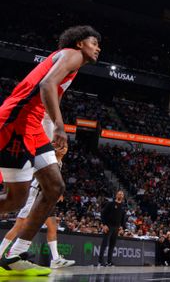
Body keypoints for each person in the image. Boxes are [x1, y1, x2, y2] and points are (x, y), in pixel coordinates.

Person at [0, 26, 101, 275]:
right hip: (17, 122)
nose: (98, 47)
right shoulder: (72, 55)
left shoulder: (69, 62)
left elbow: (46, 94)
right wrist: (59, 126)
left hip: (33, 125)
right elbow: (47, 85)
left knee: (55, 188)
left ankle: (14, 255)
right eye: (93, 42)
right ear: (79, 43)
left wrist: (50, 127)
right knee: (15, 199)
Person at [0, 118, 75, 269]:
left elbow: (53, 180)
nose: (62, 147)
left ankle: (55, 259)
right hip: (33, 193)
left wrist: (59, 158)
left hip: (43, 196)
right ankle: (2, 253)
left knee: (52, 226)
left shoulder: (52, 158)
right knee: (19, 226)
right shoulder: (40, 151)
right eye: (58, 145)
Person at [98, 190, 126, 266]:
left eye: (122, 194)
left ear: (123, 196)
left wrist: (122, 227)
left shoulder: (123, 206)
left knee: (112, 245)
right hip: (108, 226)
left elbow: (123, 218)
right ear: (116, 195)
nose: (120, 195)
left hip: (117, 228)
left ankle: (109, 261)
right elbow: (103, 214)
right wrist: (104, 224)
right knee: (105, 243)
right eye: (119, 194)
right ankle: (100, 261)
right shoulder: (110, 204)